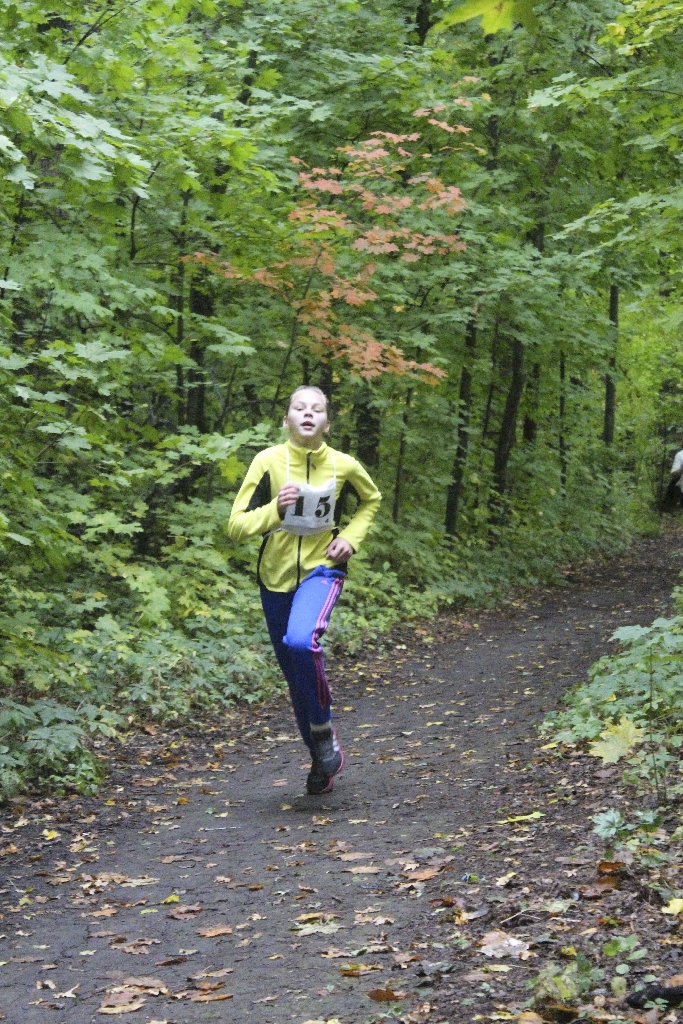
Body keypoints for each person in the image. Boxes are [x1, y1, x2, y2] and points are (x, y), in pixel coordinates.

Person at [227, 386, 381, 794]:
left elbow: (371, 500)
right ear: (286, 420)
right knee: (296, 676)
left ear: (327, 423)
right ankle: (320, 759)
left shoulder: (344, 465)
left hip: (322, 569)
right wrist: (274, 509)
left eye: (317, 409)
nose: (308, 414)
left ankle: (324, 733)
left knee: (301, 641)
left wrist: (351, 537)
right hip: (274, 577)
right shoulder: (267, 461)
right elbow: (236, 526)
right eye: (299, 408)